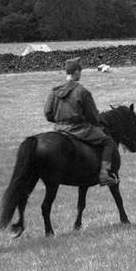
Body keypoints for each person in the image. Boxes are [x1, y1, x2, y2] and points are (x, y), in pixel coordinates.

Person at [44, 58, 118, 187]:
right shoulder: (82, 91)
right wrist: (96, 124)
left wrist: (60, 121)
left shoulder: (54, 91)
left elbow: (48, 113)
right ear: (77, 72)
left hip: (59, 129)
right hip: (79, 130)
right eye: (80, 71)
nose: (81, 73)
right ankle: (104, 175)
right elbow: (93, 116)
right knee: (108, 142)